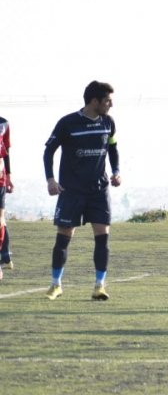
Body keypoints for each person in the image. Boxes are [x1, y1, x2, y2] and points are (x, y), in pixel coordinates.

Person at [42, 81, 121, 300]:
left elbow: (113, 148)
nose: (111, 105)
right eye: (107, 101)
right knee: (63, 238)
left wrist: (116, 171)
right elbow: (48, 151)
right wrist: (50, 180)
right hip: (72, 191)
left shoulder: (108, 122)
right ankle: (56, 284)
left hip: (99, 190)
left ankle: (99, 286)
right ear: (94, 101)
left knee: (102, 239)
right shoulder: (68, 123)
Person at [0, 114, 12, 280]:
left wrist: (9, 175)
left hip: (0, 179)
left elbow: (6, 150)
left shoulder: (4, 123)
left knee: (0, 220)